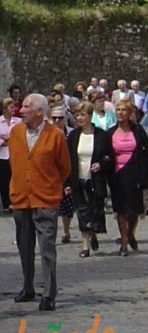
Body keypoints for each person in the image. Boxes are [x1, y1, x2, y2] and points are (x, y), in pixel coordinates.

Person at [9, 93, 71, 312]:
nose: (21, 110)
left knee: (47, 248)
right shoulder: (15, 132)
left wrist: (50, 186)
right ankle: (28, 287)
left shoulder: (55, 136)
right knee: (25, 247)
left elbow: (64, 167)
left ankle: (49, 293)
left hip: (45, 199)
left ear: (39, 111)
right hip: (20, 198)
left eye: (26, 107)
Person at [66, 101, 113, 258]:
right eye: (77, 115)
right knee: (82, 210)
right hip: (78, 179)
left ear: (90, 116)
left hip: (95, 180)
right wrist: (66, 183)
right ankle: (84, 245)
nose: (79, 118)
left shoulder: (101, 135)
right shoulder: (73, 136)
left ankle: (93, 233)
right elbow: (68, 160)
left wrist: (101, 164)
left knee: (95, 209)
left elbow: (110, 157)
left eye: (82, 115)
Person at [107, 99, 148, 256]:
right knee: (121, 209)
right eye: (118, 110)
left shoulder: (138, 131)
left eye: (124, 110)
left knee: (135, 209)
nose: (120, 113)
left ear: (130, 113)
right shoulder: (110, 132)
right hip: (117, 174)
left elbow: (145, 153)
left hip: (135, 173)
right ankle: (124, 241)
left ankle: (131, 232)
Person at [0, 97, 21, 212]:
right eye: (11, 107)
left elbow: (19, 138)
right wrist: (6, 140)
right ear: (4, 109)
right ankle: (5, 204)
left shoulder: (18, 121)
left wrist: (9, 139)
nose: (13, 109)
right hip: (2, 155)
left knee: (15, 178)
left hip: (15, 154)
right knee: (4, 180)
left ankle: (14, 202)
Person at [50, 106, 74, 244]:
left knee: (67, 206)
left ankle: (66, 231)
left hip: (67, 171)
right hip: (50, 174)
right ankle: (51, 232)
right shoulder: (46, 134)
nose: (57, 120)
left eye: (60, 118)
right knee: (51, 208)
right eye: (54, 118)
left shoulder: (70, 134)